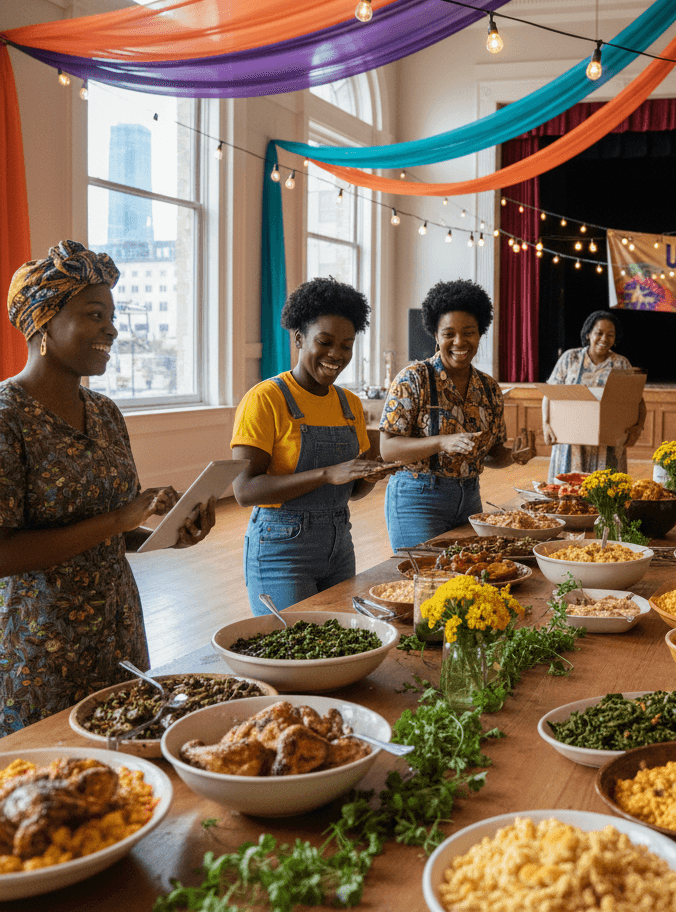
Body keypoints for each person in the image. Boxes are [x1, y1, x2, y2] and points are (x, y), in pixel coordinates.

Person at [0, 240, 215, 735]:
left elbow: (111, 532)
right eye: (94, 314)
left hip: (119, 633)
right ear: (43, 323)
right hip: (41, 651)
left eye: (112, 315)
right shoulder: (9, 418)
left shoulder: (105, 413)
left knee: (128, 764)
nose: (112, 329)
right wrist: (121, 520)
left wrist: (168, 535)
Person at [231, 278, 392, 615]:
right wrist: (326, 473)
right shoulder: (266, 398)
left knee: (337, 651)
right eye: (325, 341)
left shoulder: (349, 403)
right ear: (299, 337)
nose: (337, 354)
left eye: (346, 345)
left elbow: (349, 491)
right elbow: (245, 491)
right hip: (281, 548)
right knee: (294, 655)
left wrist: (369, 476)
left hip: (339, 543)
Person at [379, 279, 535, 550]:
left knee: (463, 579)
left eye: (469, 332)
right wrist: (441, 441)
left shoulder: (488, 387)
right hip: (418, 499)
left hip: (469, 496)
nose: (459, 342)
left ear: (480, 333)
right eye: (449, 333)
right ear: (435, 336)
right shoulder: (413, 379)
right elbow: (388, 449)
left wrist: (513, 456)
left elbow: (491, 453)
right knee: (425, 582)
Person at [542, 310, 647, 480]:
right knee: (568, 493)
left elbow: (637, 401)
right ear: (588, 333)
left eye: (610, 335)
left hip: (608, 446)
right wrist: (546, 424)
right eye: (599, 333)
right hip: (572, 443)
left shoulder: (621, 363)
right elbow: (550, 394)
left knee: (606, 495)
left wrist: (638, 428)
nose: (604, 339)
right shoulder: (570, 358)